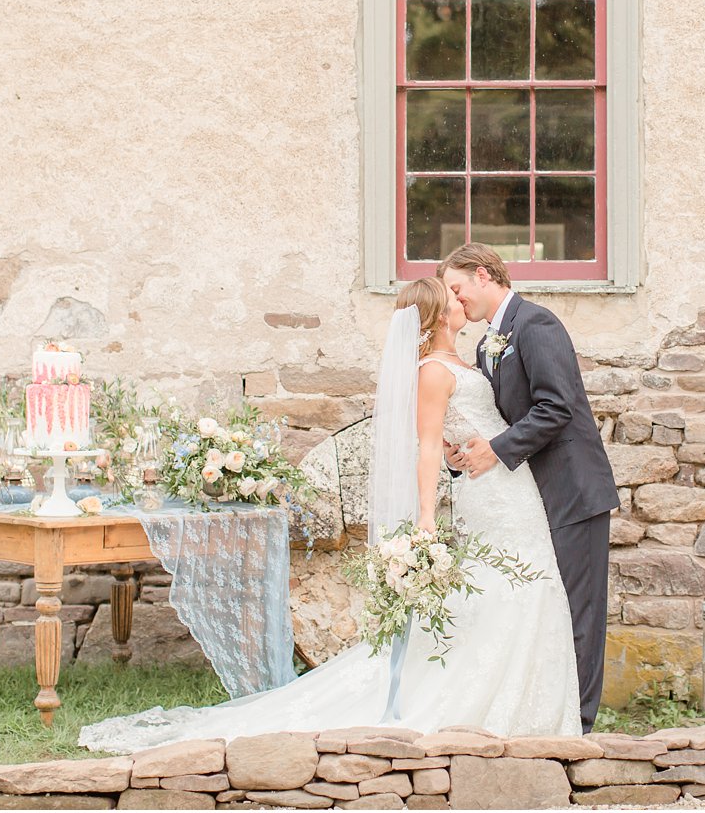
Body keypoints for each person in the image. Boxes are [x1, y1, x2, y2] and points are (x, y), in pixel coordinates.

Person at [77, 277, 580, 753]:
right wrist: (427, 514)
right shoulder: (431, 372)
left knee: (528, 584)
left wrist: (463, 449)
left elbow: (463, 429)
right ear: (435, 314)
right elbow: (427, 447)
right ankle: (489, 708)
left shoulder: (470, 361)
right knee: (511, 585)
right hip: (486, 492)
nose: (459, 297)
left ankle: (531, 712)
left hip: (510, 486)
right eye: (450, 294)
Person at [438, 243, 620, 734]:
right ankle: (548, 716)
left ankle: (579, 726)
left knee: (579, 611)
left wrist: (494, 450)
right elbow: (494, 420)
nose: (456, 301)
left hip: (573, 490)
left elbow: (556, 406)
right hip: (530, 498)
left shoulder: (536, 324)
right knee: (549, 609)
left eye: (457, 289)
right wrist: (461, 457)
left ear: (482, 275)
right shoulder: (485, 345)